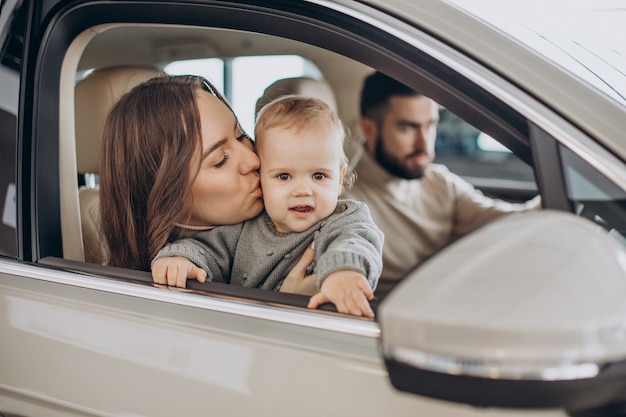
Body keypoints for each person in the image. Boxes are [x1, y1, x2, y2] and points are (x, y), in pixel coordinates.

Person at [151, 95, 384, 317]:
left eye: (319, 176)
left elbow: (357, 242)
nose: (303, 190)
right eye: (284, 177)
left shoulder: (343, 219)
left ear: (340, 177)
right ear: (262, 176)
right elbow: (207, 249)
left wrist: (343, 272)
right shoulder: (245, 228)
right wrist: (180, 259)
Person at [100, 75, 315, 297]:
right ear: (166, 196)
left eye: (240, 136)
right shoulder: (158, 285)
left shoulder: (297, 209)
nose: (254, 160)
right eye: (221, 159)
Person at [344, 71, 540, 296]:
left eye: (430, 125)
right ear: (369, 130)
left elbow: (516, 222)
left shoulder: (440, 183)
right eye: (408, 127)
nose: (424, 143)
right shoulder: (345, 203)